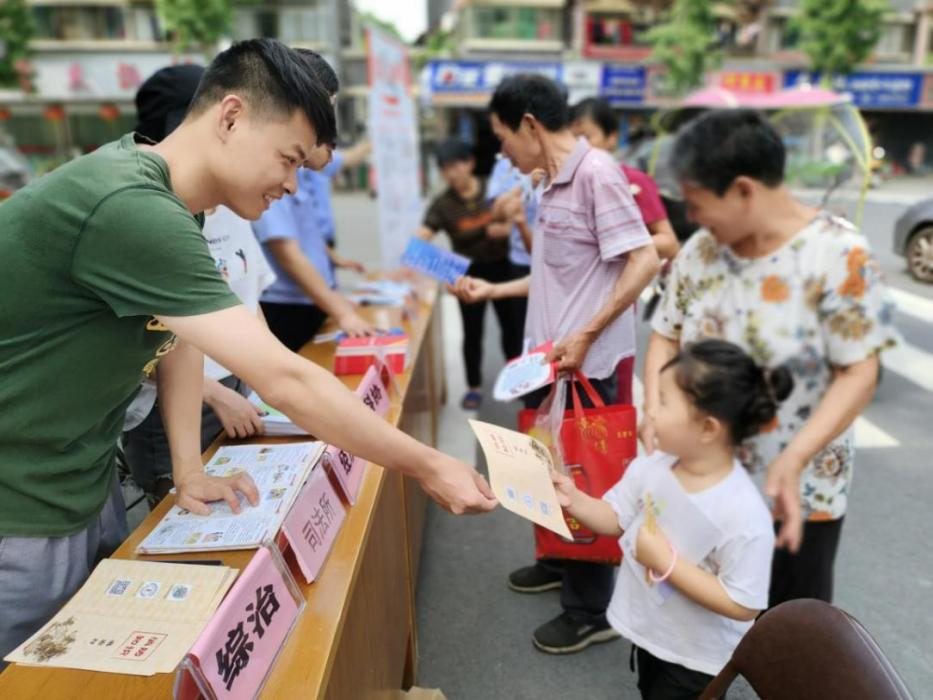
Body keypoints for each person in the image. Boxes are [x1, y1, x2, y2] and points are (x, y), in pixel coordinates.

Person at [0, 38, 496, 660]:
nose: (292, 184)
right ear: (230, 116)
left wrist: (189, 471)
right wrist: (429, 464)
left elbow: (177, 336)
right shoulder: (129, 207)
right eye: (288, 159)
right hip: (20, 505)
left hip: (79, 479)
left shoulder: (175, 202)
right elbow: (284, 379)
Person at [643, 109, 898, 605]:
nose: (691, 218)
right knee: (697, 610)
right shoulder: (701, 253)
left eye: (697, 204)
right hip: (700, 474)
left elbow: (859, 372)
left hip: (796, 488)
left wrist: (796, 455)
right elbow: (664, 336)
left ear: (743, 190)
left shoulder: (840, 254)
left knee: (788, 626)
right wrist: (654, 405)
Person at [454, 74, 660, 654]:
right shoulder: (548, 183)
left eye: (501, 138)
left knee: (587, 473)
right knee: (549, 470)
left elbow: (644, 262)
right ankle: (559, 559)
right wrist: (492, 293)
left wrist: (588, 332)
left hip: (586, 366)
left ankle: (590, 606)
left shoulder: (596, 174)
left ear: (529, 124)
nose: (501, 152)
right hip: (546, 364)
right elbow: (557, 277)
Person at [553, 339, 788, 699]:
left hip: (696, 658)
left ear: (708, 429)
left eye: (662, 402)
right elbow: (615, 516)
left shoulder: (743, 513)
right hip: (652, 632)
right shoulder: (653, 465)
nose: (651, 412)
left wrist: (666, 562)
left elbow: (743, 604)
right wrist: (574, 499)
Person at [123, 64, 276, 507]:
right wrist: (216, 394)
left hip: (231, 388)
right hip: (174, 409)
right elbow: (150, 338)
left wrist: (261, 380)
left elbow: (246, 300)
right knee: (191, 525)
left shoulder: (223, 203)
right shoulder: (143, 214)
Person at [254, 52, 374, 351]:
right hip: (287, 304)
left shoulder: (294, 167)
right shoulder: (269, 167)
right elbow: (288, 252)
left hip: (309, 298)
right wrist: (341, 310)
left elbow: (304, 234)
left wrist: (331, 259)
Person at [569, 97, 680, 405]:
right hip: (564, 315)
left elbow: (668, 242)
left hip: (613, 312)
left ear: (612, 138)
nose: (580, 147)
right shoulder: (560, 185)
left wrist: (618, 243)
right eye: (572, 138)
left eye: (587, 137)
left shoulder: (633, 182)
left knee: (612, 405)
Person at [417, 138, 523, 410]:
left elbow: (522, 214)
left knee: (511, 328)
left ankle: (517, 380)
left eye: (456, 165)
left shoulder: (493, 188)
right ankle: (473, 386)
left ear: (470, 163)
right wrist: (449, 275)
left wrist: (509, 229)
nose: (451, 173)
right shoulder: (442, 205)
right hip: (467, 274)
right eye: (445, 168)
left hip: (503, 267)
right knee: (471, 333)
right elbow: (419, 246)